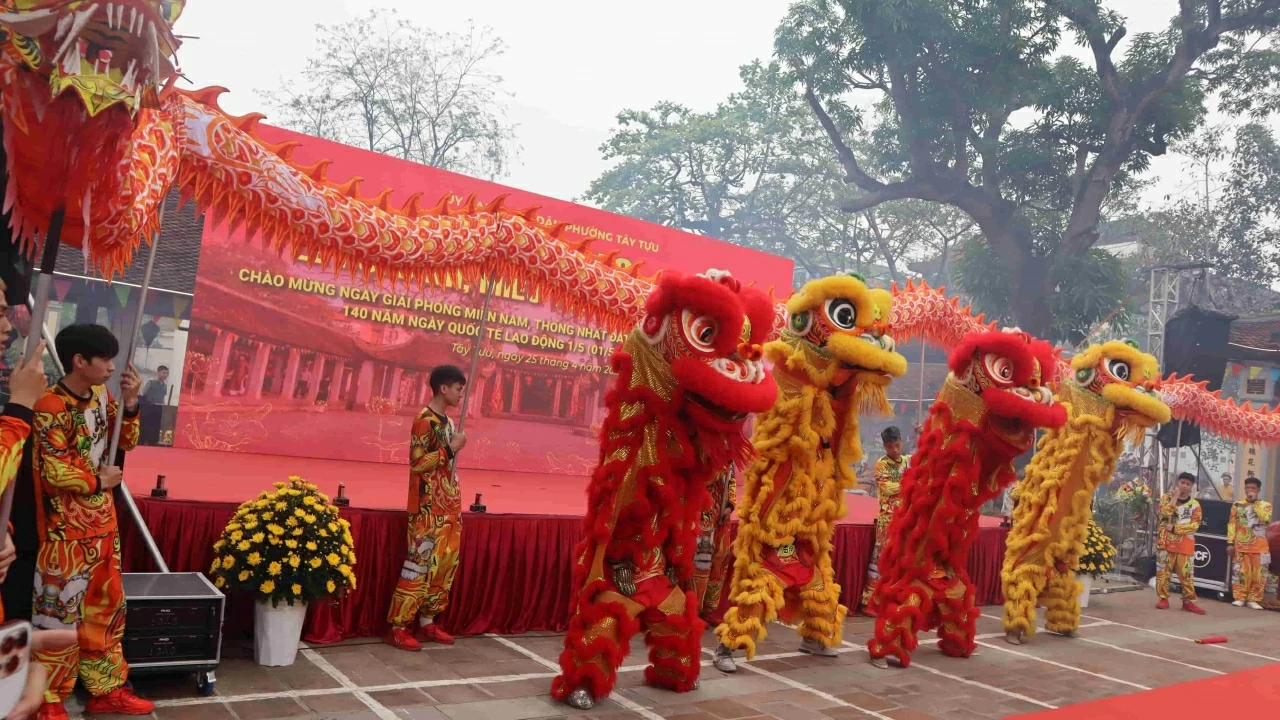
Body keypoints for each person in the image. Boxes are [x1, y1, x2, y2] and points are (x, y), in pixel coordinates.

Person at [31, 323, 150, 717]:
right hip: (63, 533)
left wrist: (130, 403)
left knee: (107, 611)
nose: (112, 368)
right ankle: (48, 699)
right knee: (56, 617)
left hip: (104, 526)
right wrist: (99, 480)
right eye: (105, 359)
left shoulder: (100, 394)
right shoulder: (50, 406)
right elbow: (53, 471)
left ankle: (107, 688)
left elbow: (125, 440)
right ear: (79, 360)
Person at [386, 364, 467, 651]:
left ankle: (428, 620)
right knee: (418, 565)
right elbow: (418, 462)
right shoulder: (424, 420)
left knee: (444, 566)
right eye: (458, 389)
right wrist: (450, 449)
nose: (461, 394)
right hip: (427, 507)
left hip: (449, 505)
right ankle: (399, 625)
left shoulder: (450, 423)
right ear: (443, 388)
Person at [859, 426, 909, 615]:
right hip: (887, 521)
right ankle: (870, 602)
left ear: (902, 442)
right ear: (884, 446)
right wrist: (910, 481)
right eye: (890, 447)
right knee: (880, 560)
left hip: (906, 519)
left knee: (902, 560)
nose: (894, 450)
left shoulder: (909, 461)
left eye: (897, 445)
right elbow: (888, 489)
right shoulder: (881, 464)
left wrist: (923, 434)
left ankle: (894, 599)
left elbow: (928, 460)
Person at [1155, 472, 1206, 614]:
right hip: (1166, 543)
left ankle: (1188, 602)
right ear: (1177, 483)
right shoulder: (1166, 498)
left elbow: (1194, 525)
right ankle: (1163, 599)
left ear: (1191, 486)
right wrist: (1174, 498)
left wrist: (1175, 529)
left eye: (1188, 484)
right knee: (1163, 572)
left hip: (1185, 544)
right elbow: (1164, 514)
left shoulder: (1195, 505)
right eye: (1182, 482)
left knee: (1186, 575)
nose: (1184, 486)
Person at [1228, 476, 1271, 610]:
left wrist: (1255, 503)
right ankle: (1240, 597)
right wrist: (1230, 542)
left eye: (1253, 488)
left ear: (1258, 490)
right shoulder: (1237, 505)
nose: (1250, 490)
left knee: (1258, 575)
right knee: (1240, 573)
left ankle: (1254, 599)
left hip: (1260, 547)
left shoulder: (1266, 505)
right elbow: (1232, 524)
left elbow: (1265, 518)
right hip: (1241, 545)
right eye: (1248, 488)